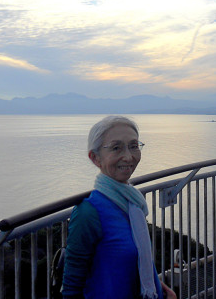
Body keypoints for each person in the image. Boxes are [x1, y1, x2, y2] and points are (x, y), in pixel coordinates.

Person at [62, 116, 176, 299]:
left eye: (133, 146)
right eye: (116, 148)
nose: (129, 156)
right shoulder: (88, 213)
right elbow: (71, 287)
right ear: (95, 158)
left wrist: (157, 285)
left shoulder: (132, 203)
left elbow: (134, 261)